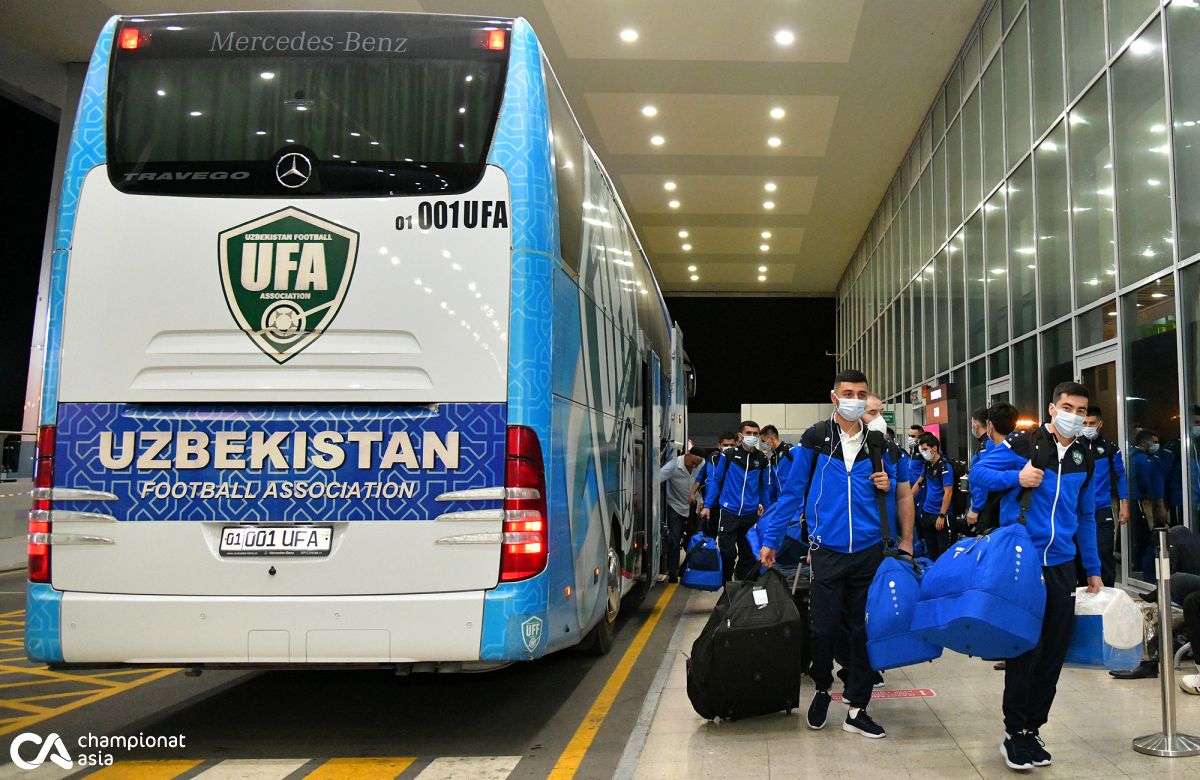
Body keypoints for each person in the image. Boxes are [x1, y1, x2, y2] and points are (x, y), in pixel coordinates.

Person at [969, 381, 1101, 771]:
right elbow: (978, 475)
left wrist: (1091, 567)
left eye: (1080, 410)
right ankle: (1014, 733)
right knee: (1027, 647)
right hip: (1023, 562)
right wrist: (1017, 479)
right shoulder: (1023, 445)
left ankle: (1033, 728)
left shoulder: (1084, 458)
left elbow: (1087, 515)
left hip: (1062, 563)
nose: (1074, 415)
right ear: (1051, 407)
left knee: (1055, 650)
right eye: (1067, 407)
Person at [758, 370, 894, 740]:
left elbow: (896, 493)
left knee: (863, 630)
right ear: (834, 397)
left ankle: (858, 708)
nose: (855, 398)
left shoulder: (877, 444)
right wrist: (770, 540)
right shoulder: (816, 441)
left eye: (861, 393)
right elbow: (791, 495)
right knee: (823, 628)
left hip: (868, 550)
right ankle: (821, 688)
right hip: (827, 550)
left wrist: (888, 483)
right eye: (847, 392)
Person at [701, 421, 769, 583]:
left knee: (748, 555)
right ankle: (726, 584)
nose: (752, 437)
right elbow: (716, 481)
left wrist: (766, 507)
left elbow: (764, 487)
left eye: (755, 434)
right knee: (728, 553)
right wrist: (707, 506)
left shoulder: (762, 459)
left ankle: (741, 584)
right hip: (728, 512)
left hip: (750, 515)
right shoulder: (729, 455)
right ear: (740, 436)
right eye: (749, 433)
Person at [1080, 407, 1129, 587]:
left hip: (1102, 508)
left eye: (1092, 423)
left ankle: (1108, 595)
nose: (1088, 427)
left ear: (1100, 424)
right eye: (1084, 423)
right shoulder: (1075, 446)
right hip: (1079, 510)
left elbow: (1120, 475)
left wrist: (1125, 505)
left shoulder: (1110, 447)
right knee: (1080, 554)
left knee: (1104, 552)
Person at [968, 401, 1019, 534]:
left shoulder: (993, 447)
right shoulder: (1020, 449)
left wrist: (976, 508)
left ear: (990, 425)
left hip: (995, 508)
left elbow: (980, 478)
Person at [656, 447, 705, 582]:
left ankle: (685, 571)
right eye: (693, 463)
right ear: (687, 455)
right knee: (674, 540)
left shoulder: (702, 464)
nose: (695, 466)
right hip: (676, 507)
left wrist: (703, 502)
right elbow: (656, 479)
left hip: (694, 508)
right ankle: (672, 573)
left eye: (697, 464)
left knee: (693, 541)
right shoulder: (673, 466)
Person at [912, 432, 954, 560]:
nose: (923, 452)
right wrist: (907, 499)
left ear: (934, 448)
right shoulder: (927, 465)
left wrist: (942, 515)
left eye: (925, 449)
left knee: (943, 553)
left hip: (941, 515)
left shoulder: (945, 466)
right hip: (927, 513)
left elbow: (948, 492)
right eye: (921, 450)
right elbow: (918, 483)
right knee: (931, 551)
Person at [691, 432, 736, 532]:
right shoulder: (713, 458)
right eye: (725, 445)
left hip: (731, 504)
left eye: (731, 445)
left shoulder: (739, 461)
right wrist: (693, 494)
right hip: (712, 502)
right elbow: (701, 476)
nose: (728, 448)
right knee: (708, 534)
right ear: (719, 445)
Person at [761, 424, 794, 506]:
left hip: (794, 503)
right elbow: (773, 483)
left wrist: (801, 508)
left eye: (763, 441)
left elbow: (802, 476)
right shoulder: (773, 458)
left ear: (770, 439)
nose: (763, 445)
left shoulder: (790, 451)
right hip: (780, 502)